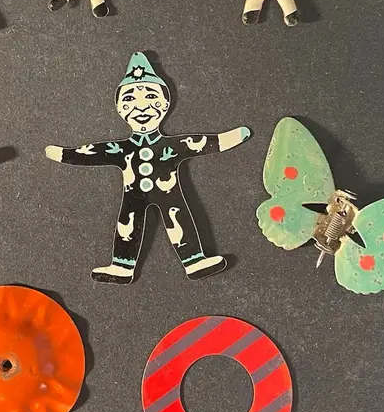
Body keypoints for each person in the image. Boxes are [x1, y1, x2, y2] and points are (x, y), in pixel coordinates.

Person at [45, 53, 250, 284]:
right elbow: (94, 152)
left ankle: (194, 261)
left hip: (169, 194)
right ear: (120, 108)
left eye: (150, 96)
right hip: (134, 196)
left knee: (179, 217)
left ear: (165, 103)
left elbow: (200, 142)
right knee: (128, 223)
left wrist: (230, 138)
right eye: (130, 98)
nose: (141, 106)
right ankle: (122, 266)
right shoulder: (120, 149)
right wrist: (64, 154)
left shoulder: (173, 146)